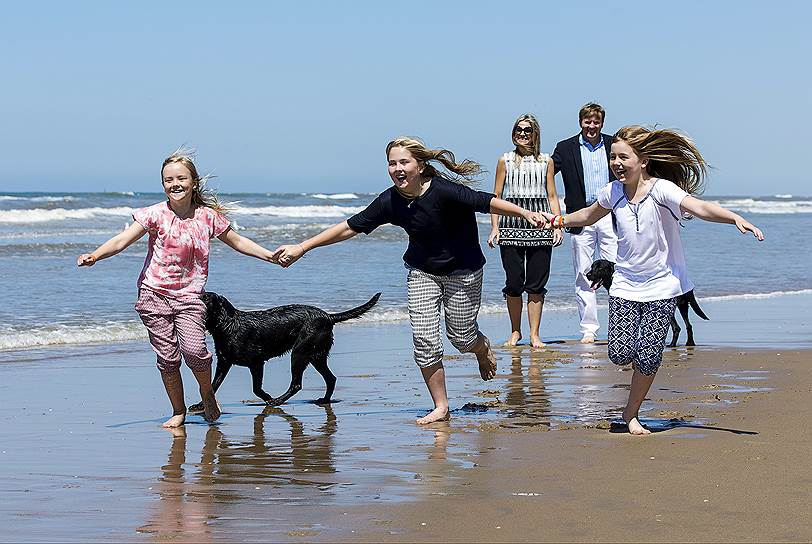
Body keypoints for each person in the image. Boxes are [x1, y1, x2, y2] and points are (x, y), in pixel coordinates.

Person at [271, 137, 544, 425]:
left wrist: (526, 213)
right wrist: (303, 247)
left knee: (461, 338)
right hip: (422, 272)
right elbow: (350, 226)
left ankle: (481, 348)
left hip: (464, 271)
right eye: (392, 163)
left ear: (421, 165)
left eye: (404, 162)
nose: (398, 168)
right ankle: (441, 406)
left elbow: (486, 202)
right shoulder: (390, 201)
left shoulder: (444, 191)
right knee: (425, 339)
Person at [542, 125, 764, 435]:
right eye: (613, 157)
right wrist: (558, 220)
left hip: (662, 284)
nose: (616, 163)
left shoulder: (662, 190)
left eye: (623, 157)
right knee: (619, 353)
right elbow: (588, 215)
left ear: (643, 160)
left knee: (648, 356)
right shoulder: (613, 192)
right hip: (625, 284)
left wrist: (734, 218)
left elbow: (699, 207)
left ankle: (631, 413)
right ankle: (642, 367)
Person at [77, 148, 278, 428]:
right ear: (163, 185)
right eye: (168, 180)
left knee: (196, 351)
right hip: (153, 295)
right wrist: (96, 255)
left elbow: (238, 242)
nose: (175, 184)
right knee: (168, 359)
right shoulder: (154, 215)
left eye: (181, 178)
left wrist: (269, 256)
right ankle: (179, 411)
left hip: (190, 297)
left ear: (193, 182)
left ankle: (207, 395)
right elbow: (122, 240)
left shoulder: (208, 217)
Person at [487, 114, 562, 348]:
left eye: (527, 130)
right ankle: (515, 331)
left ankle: (535, 334)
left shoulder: (547, 161)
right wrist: (495, 228)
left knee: (536, 284)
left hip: (541, 228)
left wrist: (557, 226)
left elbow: (551, 195)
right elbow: (496, 197)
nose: (522, 133)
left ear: (535, 133)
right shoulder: (505, 160)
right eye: (518, 129)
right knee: (514, 283)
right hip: (511, 228)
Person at [551, 103, 617, 343]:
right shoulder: (565, 148)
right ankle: (589, 329)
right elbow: (546, 174)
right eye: (587, 122)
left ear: (602, 123)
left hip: (611, 215)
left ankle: (619, 325)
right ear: (581, 122)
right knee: (583, 273)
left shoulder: (613, 144)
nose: (592, 126)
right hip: (581, 217)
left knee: (616, 272)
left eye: (596, 122)